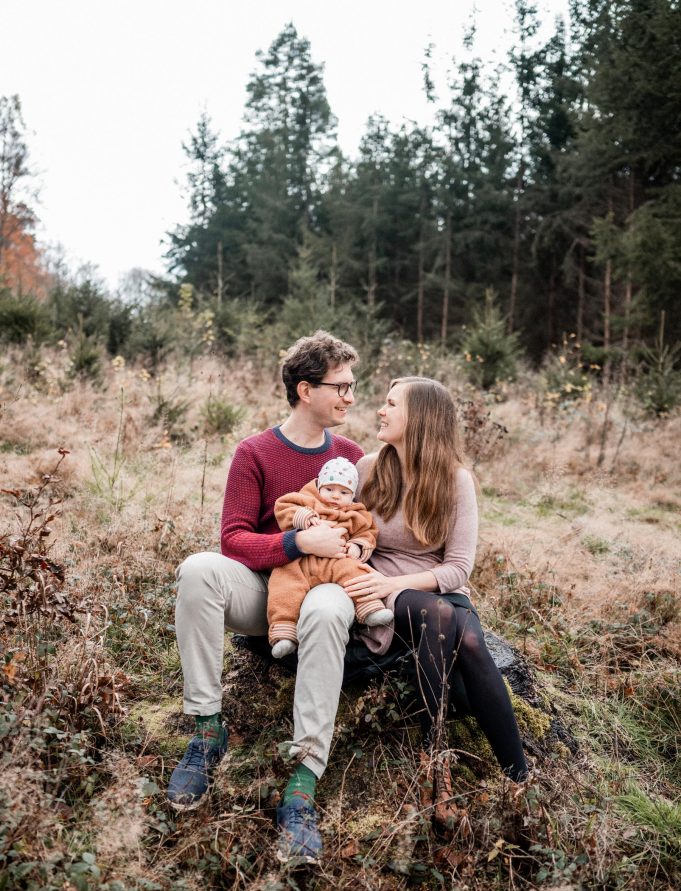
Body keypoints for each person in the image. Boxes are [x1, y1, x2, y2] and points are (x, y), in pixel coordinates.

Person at [168, 330, 363, 863]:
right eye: (341, 386)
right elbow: (232, 540)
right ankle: (207, 731)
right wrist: (295, 542)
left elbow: (369, 528)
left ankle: (302, 784)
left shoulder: (353, 457)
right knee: (198, 570)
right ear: (306, 389)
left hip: (328, 590)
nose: (350, 397)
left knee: (327, 607)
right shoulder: (254, 452)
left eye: (352, 386)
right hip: (266, 591)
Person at [345, 376, 528, 829]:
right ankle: (435, 758)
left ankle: (520, 780)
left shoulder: (455, 480)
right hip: (382, 590)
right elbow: (346, 530)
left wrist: (395, 583)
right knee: (442, 618)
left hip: (433, 587)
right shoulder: (368, 469)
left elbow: (458, 569)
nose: (381, 410)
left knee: (468, 639)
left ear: (421, 418)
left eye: (392, 404)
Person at [268, 456, 393, 658]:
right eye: (329, 489)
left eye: (343, 492)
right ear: (319, 486)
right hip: (299, 562)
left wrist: (357, 546)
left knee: (356, 572)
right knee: (283, 585)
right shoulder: (306, 500)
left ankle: (369, 608)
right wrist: (305, 518)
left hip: (336, 561)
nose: (335, 496)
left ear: (352, 495)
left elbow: (368, 533)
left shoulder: (356, 513)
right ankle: (284, 630)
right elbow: (283, 507)